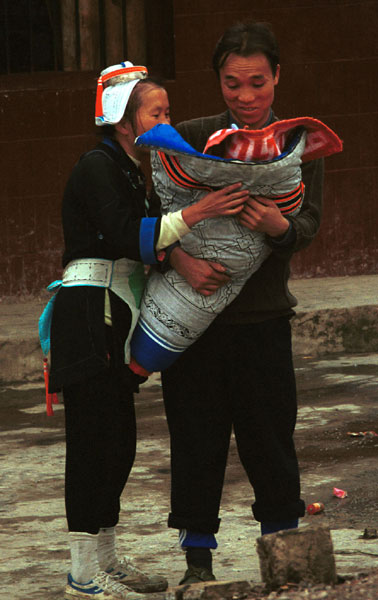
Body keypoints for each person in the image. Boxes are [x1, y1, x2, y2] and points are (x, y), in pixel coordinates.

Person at [46, 60, 249, 600]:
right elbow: (124, 234)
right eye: (157, 112)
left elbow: (150, 242)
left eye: (168, 112)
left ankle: (107, 559)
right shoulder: (96, 166)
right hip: (89, 317)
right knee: (92, 444)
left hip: (117, 313)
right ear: (123, 118)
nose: (167, 122)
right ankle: (83, 573)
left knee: (118, 444)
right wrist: (199, 212)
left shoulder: (132, 168)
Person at [160, 21, 325, 584]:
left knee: (271, 443)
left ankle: (286, 564)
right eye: (233, 84)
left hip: (263, 323)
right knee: (195, 441)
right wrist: (179, 260)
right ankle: (197, 567)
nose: (246, 96)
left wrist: (280, 225)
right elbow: (154, 220)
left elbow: (308, 224)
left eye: (257, 82)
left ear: (277, 76)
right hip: (193, 325)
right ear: (218, 82)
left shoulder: (300, 142)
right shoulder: (187, 139)